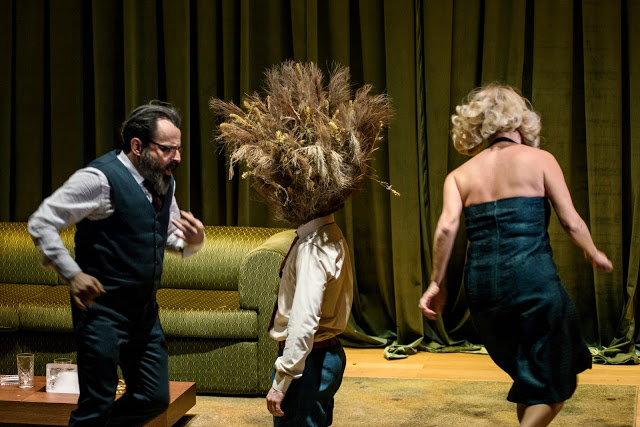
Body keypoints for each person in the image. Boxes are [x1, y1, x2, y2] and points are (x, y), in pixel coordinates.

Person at [211, 60, 393, 426]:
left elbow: (304, 320)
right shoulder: (329, 234)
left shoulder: (313, 247)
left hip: (309, 363)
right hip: (324, 357)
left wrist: (282, 379)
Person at [419, 84, 613, 427]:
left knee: (531, 382)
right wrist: (593, 252)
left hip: (483, 291)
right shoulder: (541, 160)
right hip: (533, 282)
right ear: (521, 119)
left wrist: (437, 283)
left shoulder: (459, 176)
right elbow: (571, 221)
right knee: (554, 384)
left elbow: (446, 228)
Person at [28, 101, 205, 426]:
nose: (177, 158)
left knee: (153, 397)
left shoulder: (164, 180)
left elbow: (164, 233)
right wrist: (72, 273)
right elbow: (41, 222)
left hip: (144, 312)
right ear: (138, 146)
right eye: (167, 149)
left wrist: (192, 242)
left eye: (178, 149)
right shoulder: (99, 179)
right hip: (102, 312)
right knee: (96, 404)